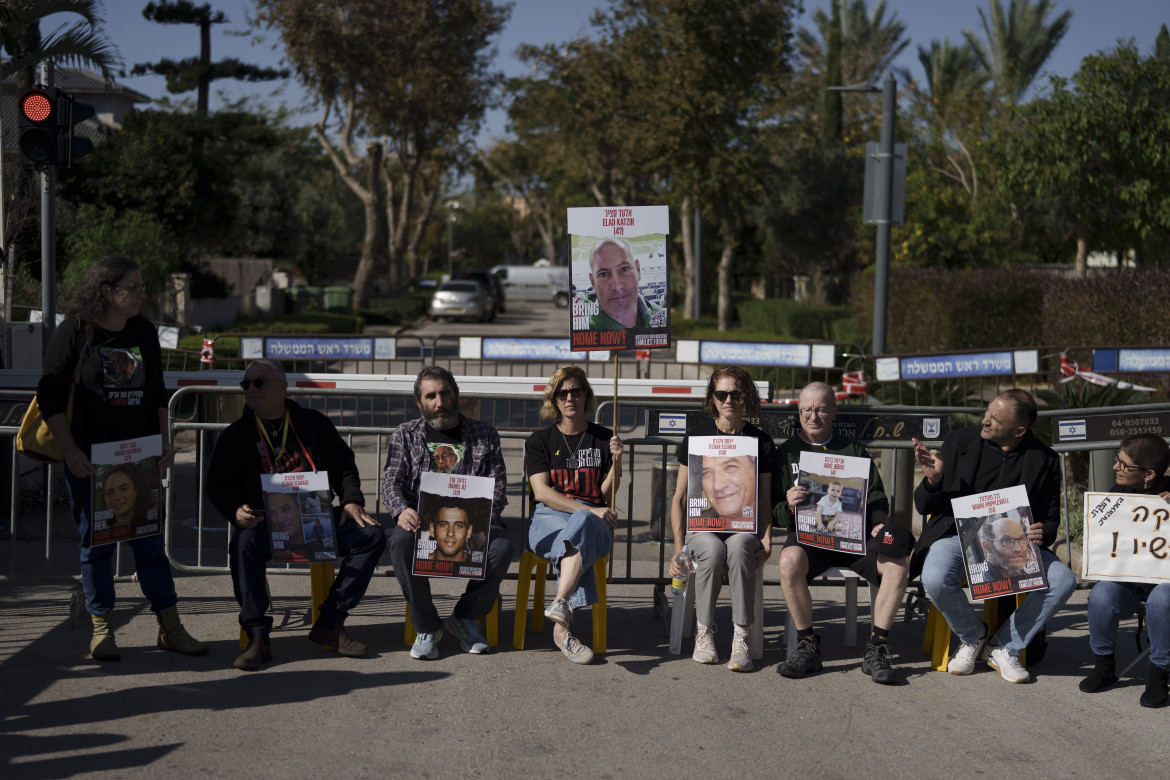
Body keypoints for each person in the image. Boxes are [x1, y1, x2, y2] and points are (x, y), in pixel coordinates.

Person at [36, 256, 207, 662]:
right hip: (90, 463)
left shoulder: (144, 331)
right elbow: (49, 394)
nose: (142, 294)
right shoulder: (75, 330)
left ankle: (171, 628)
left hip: (140, 459)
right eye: (135, 287)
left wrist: (167, 442)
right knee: (96, 546)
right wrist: (71, 451)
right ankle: (102, 630)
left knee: (149, 547)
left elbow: (157, 391)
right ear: (108, 290)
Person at [207, 359, 386, 670]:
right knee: (243, 544)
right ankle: (258, 637)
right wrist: (235, 511)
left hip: (315, 520)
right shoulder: (235, 435)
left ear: (282, 386)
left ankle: (330, 622)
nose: (250, 389)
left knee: (371, 535)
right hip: (265, 523)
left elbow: (344, 464)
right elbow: (218, 485)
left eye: (258, 382)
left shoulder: (313, 423)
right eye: (245, 384)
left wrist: (351, 501)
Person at [913, 388, 1076, 683]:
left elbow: (1050, 518)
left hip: (1015, 542)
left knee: (1064, 580)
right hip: (958, 537)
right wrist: (932, 481)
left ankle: (1004, 646)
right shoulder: (959, 442)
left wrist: (1044, 531)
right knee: (935, 577)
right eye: (987, 413)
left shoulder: (1045, 459)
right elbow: (925, 506)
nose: (985, 421)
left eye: (995, 419)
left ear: (1019, 430)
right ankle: (972, 634)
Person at [775, 382, 912, 685]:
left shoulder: (853, 450)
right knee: (788, 561)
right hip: (808, 536)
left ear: (834, 412)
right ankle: (808, 644)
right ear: (799, 413)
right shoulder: (785, 453)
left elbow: (877, 496)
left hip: (853, 537)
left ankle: (876, 648)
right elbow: (772, 510)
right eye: (807, 409)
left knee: (897, 563)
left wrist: (877, 520)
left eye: (821, 408)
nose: (814, 416)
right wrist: (787, 505)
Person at [383, 366, 513, 659]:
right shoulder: (405, 434)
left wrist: (481, 519)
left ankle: (465, 618)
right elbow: (392, 482)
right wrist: (402, 511)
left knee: (502, 548)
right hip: (421, 524)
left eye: (444, 393)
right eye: (430, 396)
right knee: (400, 542)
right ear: (420, 403)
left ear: (456, 395)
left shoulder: (484, 433)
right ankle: (428, 626)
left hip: (473, 522)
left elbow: (498, 485)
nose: (439, 402)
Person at [669, 365, 774, 672]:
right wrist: (679, 547)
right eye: (721, 393)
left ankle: (742, 636)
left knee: (741, 547)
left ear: (747, 396)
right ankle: (704, 632)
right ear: (712, 398)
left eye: (736, 393)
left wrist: (766, 539)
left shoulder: (761, 442)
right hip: (702, 529)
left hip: (743, 528)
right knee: (713, 551)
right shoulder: (696, 438)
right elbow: (678, 498)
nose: (729, 399)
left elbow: (765, 501)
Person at [526, 366, 623, 665]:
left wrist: (618, 462)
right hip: (547, 518)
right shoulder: (540, 440)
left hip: (593, 521)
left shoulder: (605, 438)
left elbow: (607, 492)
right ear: (554, 399)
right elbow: (542, 493)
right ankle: (563, 623)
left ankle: (560, 611)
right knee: (580, 530)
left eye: (576, 391)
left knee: (581, 526)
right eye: (563, 393)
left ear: (586, 396)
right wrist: (590, 509)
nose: (570, 398)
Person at [1080, 433, 1170, 707]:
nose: (1115, 467)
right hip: (1130, 581)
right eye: (1117, 460)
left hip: (1165, 582)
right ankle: (1104, 668)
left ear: (1149, 474)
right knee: (1101, 595)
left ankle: (1158, 674)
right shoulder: (1116, 496)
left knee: (1161, 599)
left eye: (1124, 464)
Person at [583, 237, 663, 330]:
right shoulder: (583, 331)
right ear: (593, 283)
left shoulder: (658, 315)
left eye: (625, 269)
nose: (617, 286)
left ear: (638, 270)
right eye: (604, 274)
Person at [979, 513, 1034, 581]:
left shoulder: (1009, 569)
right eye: (1006, 541)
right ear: (987, 546)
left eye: (1021, 539)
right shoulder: (989, 583)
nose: (1018, 548)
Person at [101, 463, 150, 528]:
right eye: (110, 493)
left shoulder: (152, 524)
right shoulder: (101, 530)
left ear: (137, 490)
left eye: (124, 489)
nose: (116, 497)